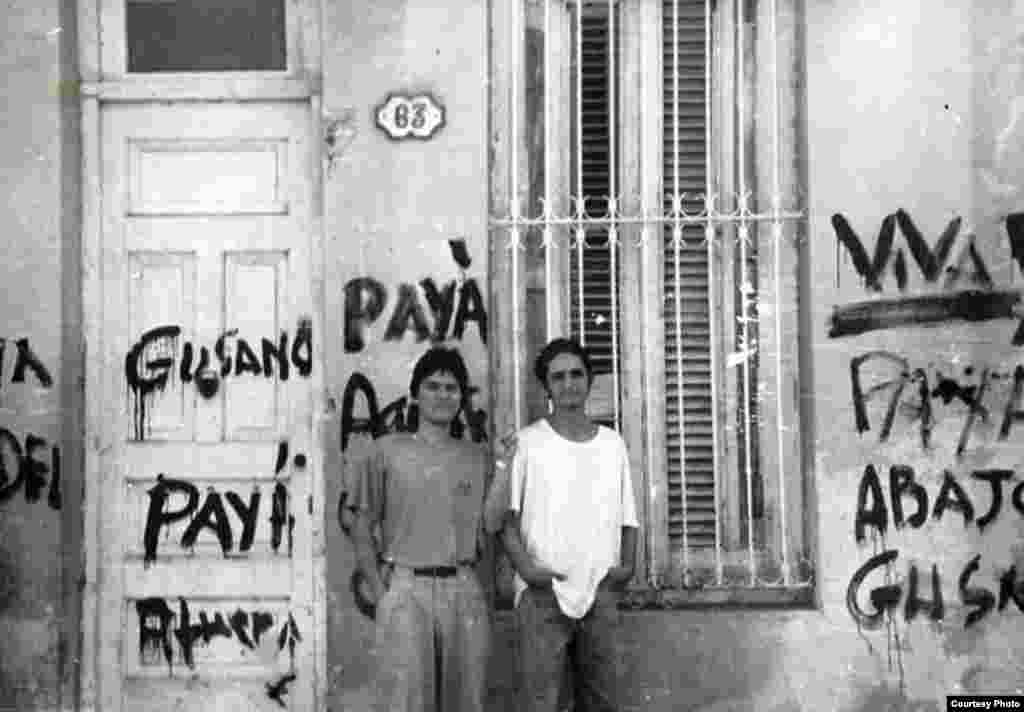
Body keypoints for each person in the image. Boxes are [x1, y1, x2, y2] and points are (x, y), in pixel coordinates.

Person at [344, 346, 491, 712]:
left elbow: (493, 524)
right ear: (415, 393)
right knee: (407, 702)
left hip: (462, 585)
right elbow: (362, 527)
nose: (442, 395)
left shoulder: (478, 458)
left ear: (462, 397)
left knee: (466, 701)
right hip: (406, 587)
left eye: (451, 388)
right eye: (432, 386)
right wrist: (381, 592)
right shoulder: (384, 451)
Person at [501, 337, 639, 712]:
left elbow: (630, 519)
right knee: (543, 704)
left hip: (600, 592)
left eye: (576, 374)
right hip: (543, 594)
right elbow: (507, 523)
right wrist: (531, 573)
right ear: (546, 385)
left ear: (590, 380)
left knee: (605, 702)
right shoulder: (528, 443)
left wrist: (623, 571)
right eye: (558, 376)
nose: (568, 383)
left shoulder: (612, 444)